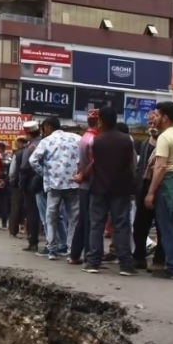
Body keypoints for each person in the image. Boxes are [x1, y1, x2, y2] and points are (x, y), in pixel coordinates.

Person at [79, 106, 137, 276]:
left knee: (96, 225)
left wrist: (83, 175)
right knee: (121, 225)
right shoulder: (127, 140)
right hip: (121, 188)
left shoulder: (96, 141)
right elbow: (132, 165)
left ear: (101, 120)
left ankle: (93, 262)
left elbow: (91, 164)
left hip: (99, 188)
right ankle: (125, 265)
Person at [29, 117, 80, 260]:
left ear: (49, 127)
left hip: (54, 184)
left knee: (51, 217)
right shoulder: (76, 138)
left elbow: (33, 160)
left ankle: (52, 249)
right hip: (72, 183)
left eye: (43, 128)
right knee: (73, 218)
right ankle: (71, 249)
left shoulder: (46, 141)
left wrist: (45, 173)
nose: (43, 131)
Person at [145, 101, 173, 280]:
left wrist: (151, 192)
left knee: (168, 227)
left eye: (158, 115)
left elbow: (160, 167)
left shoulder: (165, 137)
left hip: (169, 183)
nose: (155, 119)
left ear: (165, 118)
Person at [133, 109, 165, 270]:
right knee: (140, 225)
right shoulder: (145, 144)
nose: (152, 126)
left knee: (162, 227)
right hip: (144, 188)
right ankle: (139, 257)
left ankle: (160, 259)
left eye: (155, 122)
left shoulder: (166, 141)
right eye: (150, 123)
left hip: (161, 189)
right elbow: (140, 169)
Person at [69, 109, 100, 265]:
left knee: (83, 220)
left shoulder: (84, 138)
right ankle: (89, 255)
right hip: (90, 184)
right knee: (90, 221)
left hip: (84, 186)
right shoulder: (93, 140)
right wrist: (83, 175)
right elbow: (94, 163)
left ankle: (75, 254)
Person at [20, 121, 43, 251]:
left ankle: (33, 241)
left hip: (32, 183)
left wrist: (21, 183)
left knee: (32, 213)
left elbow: (24, 167)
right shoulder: (43, 142)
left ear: (28, 133)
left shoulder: (32, 146)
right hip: (42, 181)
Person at [8, 137, 27, 237]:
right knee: (28, 207)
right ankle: (28, 230)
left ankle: (13, 230)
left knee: (15, 207)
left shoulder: (17, 154)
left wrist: (11, 180)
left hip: (17, 183)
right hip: (29, 183)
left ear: (20, 143)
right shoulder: (31, 151)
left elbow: (12, 171)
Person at [0, 142, 11, 229]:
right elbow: (10, 172)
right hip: (5, 181)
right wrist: (5, 181)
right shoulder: (9, 158)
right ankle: (4, 223)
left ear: (0, 148)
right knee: (4, 202)